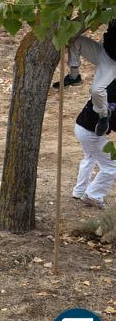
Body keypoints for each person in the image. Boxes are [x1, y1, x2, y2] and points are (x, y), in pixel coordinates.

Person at [59, 23, 116, 136]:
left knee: (96, 90)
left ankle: (103, 116)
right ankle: (74, 77)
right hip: (103, 51)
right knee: (76, 41)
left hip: (112, 62)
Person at [72, 78, 116, 209]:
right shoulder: (110, 90)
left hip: (81, 127)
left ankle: (79, 191)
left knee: (91, 157)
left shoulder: (106, 83)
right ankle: (93, 195)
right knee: (112, 165)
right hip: (91, 134)